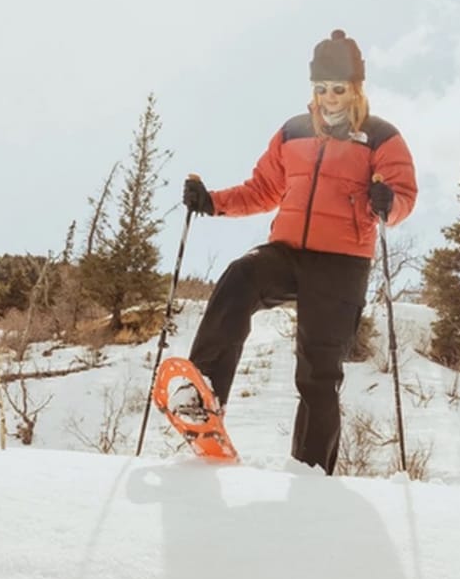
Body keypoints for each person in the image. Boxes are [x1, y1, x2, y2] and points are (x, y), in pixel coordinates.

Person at [178, 29, 418, 474]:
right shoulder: (292, 133)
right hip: (287, 253)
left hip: (342, 264)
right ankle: (203, 395)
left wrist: (389, 203)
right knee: (241, 277)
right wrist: (212, 202)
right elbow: (263, 189)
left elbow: (403, 195)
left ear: (356, 88)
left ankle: (311, 475)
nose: (329, 98)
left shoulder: (381, 137)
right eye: (321, 88)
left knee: (318, 373)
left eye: (338, 88)